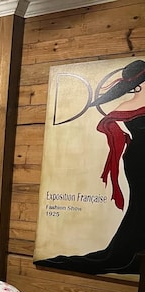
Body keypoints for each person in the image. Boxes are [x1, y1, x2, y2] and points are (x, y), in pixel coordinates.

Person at [35, 59, 145, 275]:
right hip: (139, 160)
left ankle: (135, 251)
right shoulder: (128, 105)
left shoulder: (127, 106)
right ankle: (129, 253)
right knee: (140, 204)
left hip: (136, 156)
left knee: (140, 206)